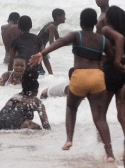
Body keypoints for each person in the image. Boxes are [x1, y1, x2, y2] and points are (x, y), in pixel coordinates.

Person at [29, 8, 115, 162]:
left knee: (71, 107)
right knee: (100, 118)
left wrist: (42, 53)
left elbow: (60, 42)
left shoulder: (77, 35)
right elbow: (112, 58)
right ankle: (109, 154)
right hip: (97, 77)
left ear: (81, 22)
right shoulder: (103, 40)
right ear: (95, 23)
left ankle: (69, 139)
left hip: (79, 75)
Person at [100, 6, 125, 143]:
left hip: (111, 72)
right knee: (122, 111)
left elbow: (119, 38)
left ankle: (103, 145)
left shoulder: (106, 29)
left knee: (101, 113)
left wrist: (116, 62)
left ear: (108, 18)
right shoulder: (124, 30)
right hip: (123, 73)